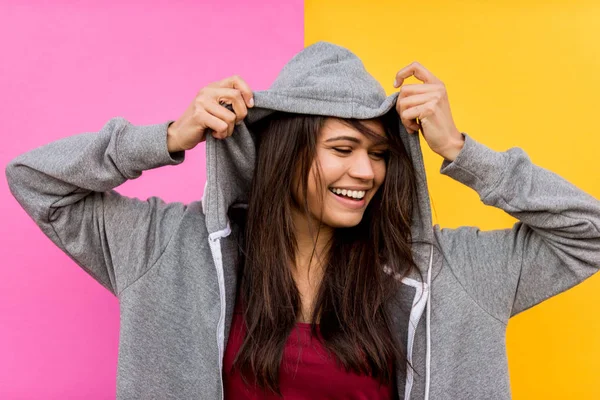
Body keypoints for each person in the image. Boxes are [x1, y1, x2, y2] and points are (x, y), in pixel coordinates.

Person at [5, 41, 600, 399]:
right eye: (343, 149)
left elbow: (588, 235)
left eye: (380, 153)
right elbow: (36, 180)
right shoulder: (167, 248)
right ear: (286, 153)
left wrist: (465, 154)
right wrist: (164, 138)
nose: (366, 171)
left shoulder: (450, 270)